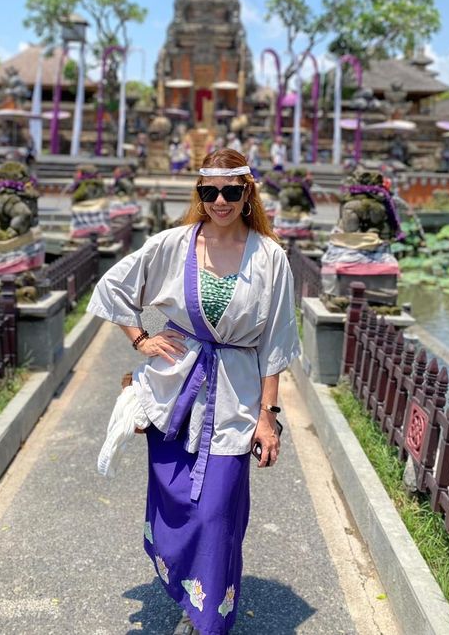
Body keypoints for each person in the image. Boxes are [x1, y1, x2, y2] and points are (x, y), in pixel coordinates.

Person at [88, 149, 300, 635]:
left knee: (218, 514)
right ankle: (191, 595)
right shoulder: (173, 244)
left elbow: (276, 344)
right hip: (175, 393)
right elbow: (114, 288)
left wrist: (268, 416)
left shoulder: (270, 257)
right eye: (209, 192)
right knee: (176, 501)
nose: (220, 201)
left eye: (230, 191)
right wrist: (140, 338)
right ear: (199, 194)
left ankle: (208, 621)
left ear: (248, 192)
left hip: (236, 397)